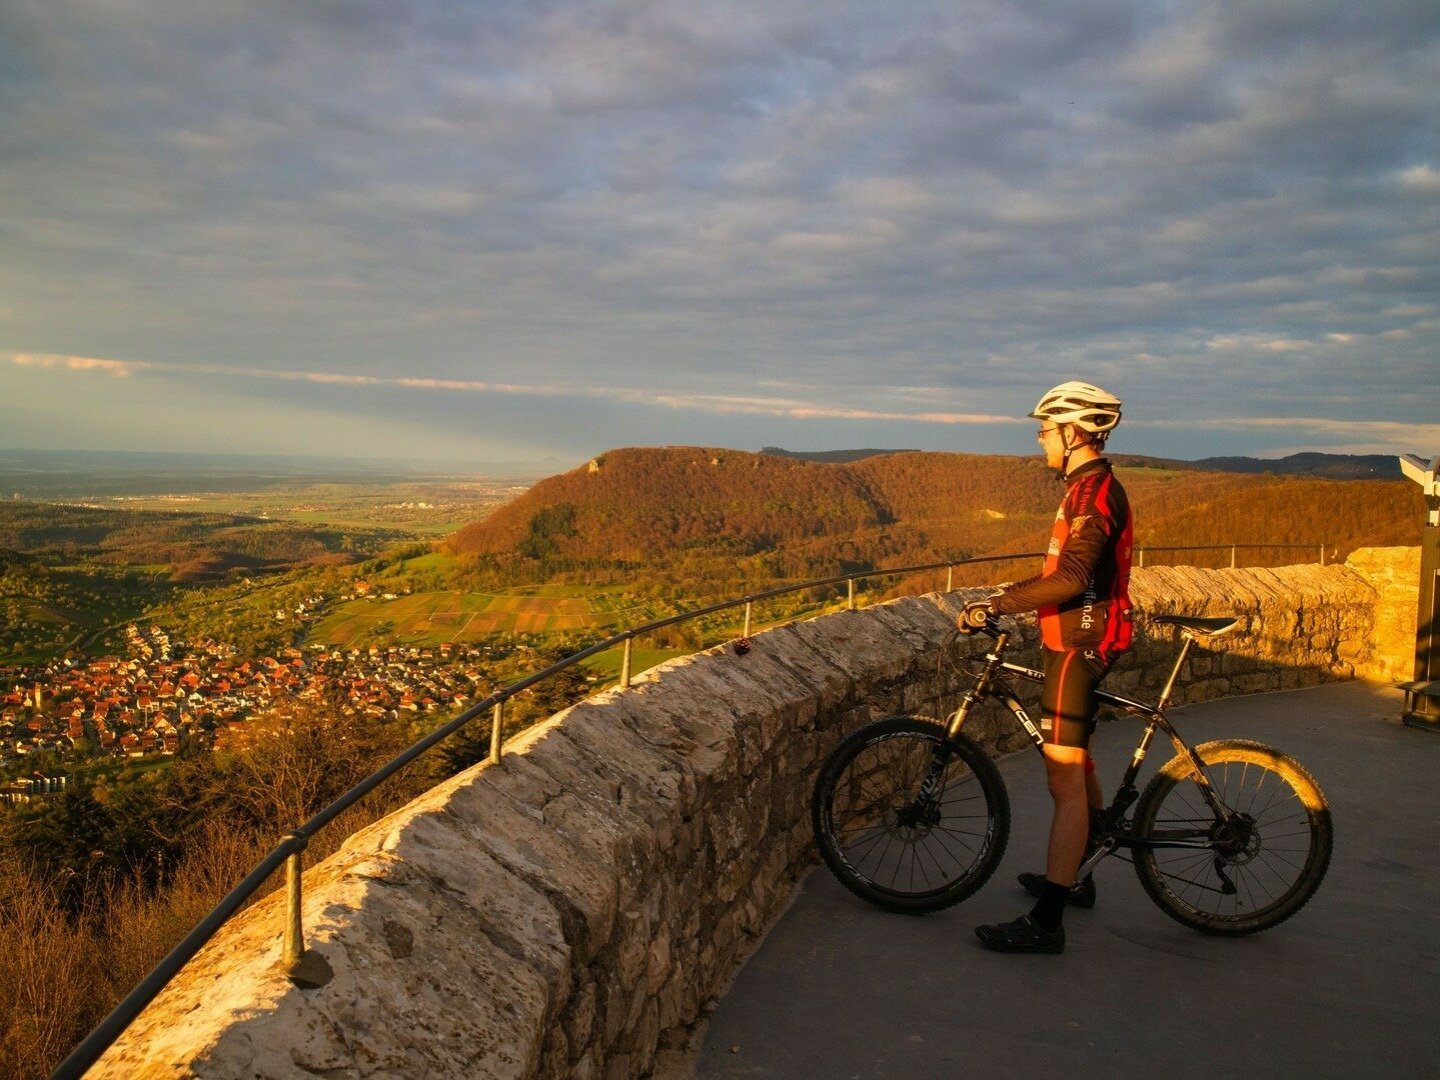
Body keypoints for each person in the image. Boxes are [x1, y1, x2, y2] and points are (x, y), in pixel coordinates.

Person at [963, 381, 1133, 954]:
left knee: (1062, 782)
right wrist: (1009, 594)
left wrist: (997, 605)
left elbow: (1073, 578)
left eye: (1046, 429)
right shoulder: (1088, 487)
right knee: (1074, 759)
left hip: (1081, 643)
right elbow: (1061, 571)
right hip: (1074, 635)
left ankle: (1048, 922)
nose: (1040, 439)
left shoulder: (1093, 495)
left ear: (1074, 432)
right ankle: (1082, 864)